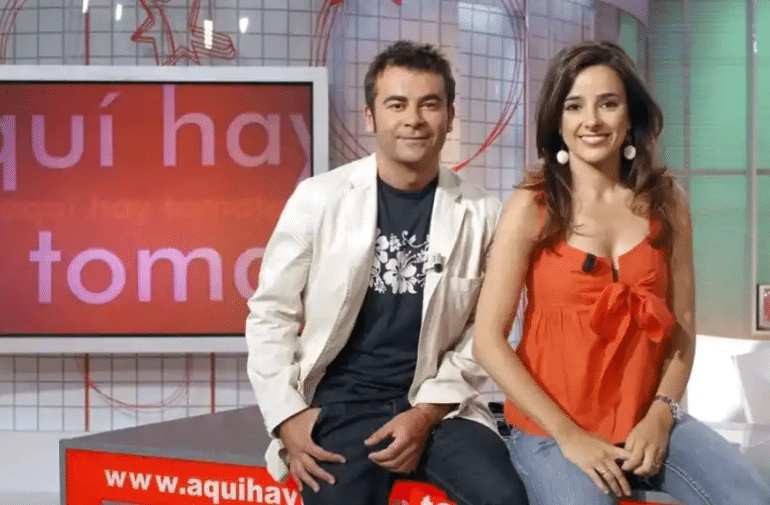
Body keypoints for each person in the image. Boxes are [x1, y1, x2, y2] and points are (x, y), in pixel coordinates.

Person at [472, 40, 770, 505]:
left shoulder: (668, 202)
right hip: (554, 433)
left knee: (751, 495)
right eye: (574, 106)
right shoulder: (530, 207)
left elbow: (682, 328)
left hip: (647, 424)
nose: (591, 120)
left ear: (630, 117)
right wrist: (569, 435)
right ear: (558, 122)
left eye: (608, 103)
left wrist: (662, 413)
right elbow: (488, 342)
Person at [246, 40, 528, 505]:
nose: (413, 119)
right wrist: (287, 416)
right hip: (340, 406)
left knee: (505, 498)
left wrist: (426, 413)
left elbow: (485, 332)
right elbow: (270, 313)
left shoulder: (484, 213)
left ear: (450, 117)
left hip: (439, 405)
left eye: (429, 104)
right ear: (370, 116)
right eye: (396, 104)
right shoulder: (318, 199)